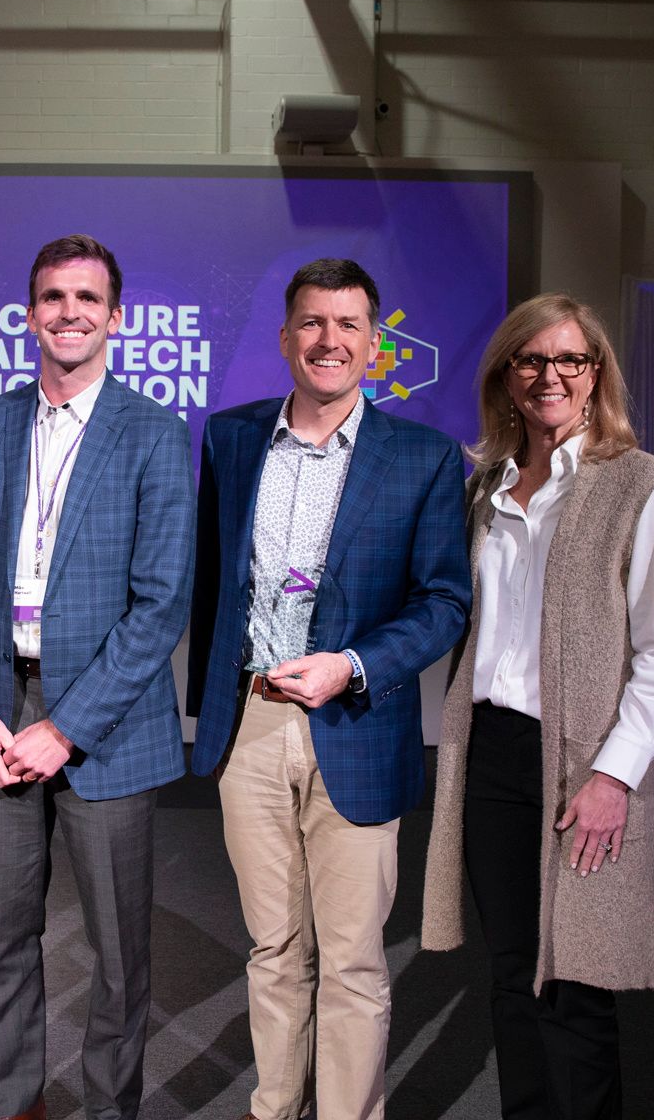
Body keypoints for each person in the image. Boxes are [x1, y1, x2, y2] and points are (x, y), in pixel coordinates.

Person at [188, 258, 471, 1120]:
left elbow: (444, 604)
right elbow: (213, 584)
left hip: (357, 725)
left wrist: (350, 664)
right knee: (273, 951)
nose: (329, 340)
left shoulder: (423, 457)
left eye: (349, 324)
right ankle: (275, 1110)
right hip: (251, 726)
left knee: (352, 962)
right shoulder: (232, 438)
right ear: (285, 337)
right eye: (312, 322)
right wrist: (209, 712)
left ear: (374, 343)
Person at [421, 293, 654, 1120]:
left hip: (586, 767)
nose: (551, 376)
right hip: (492, 756)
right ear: (506, 377)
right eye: (531, 360)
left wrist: (614, 777)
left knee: (575, 985)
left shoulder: (643, 486)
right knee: (513, 976)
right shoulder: (485, 489)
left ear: (595, 374)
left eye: (570, 359)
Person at [0, 235, 195, 1120]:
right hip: (3, 706)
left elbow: (161, 605)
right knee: (2, 938)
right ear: (30, 316)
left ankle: (108, 1110)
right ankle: (17, 1104)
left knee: (119, 954)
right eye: (53, 297)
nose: (69, 312)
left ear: (116, 318)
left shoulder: (154, 432)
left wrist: (67, 726)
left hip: (107, 721)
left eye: (87, 298)